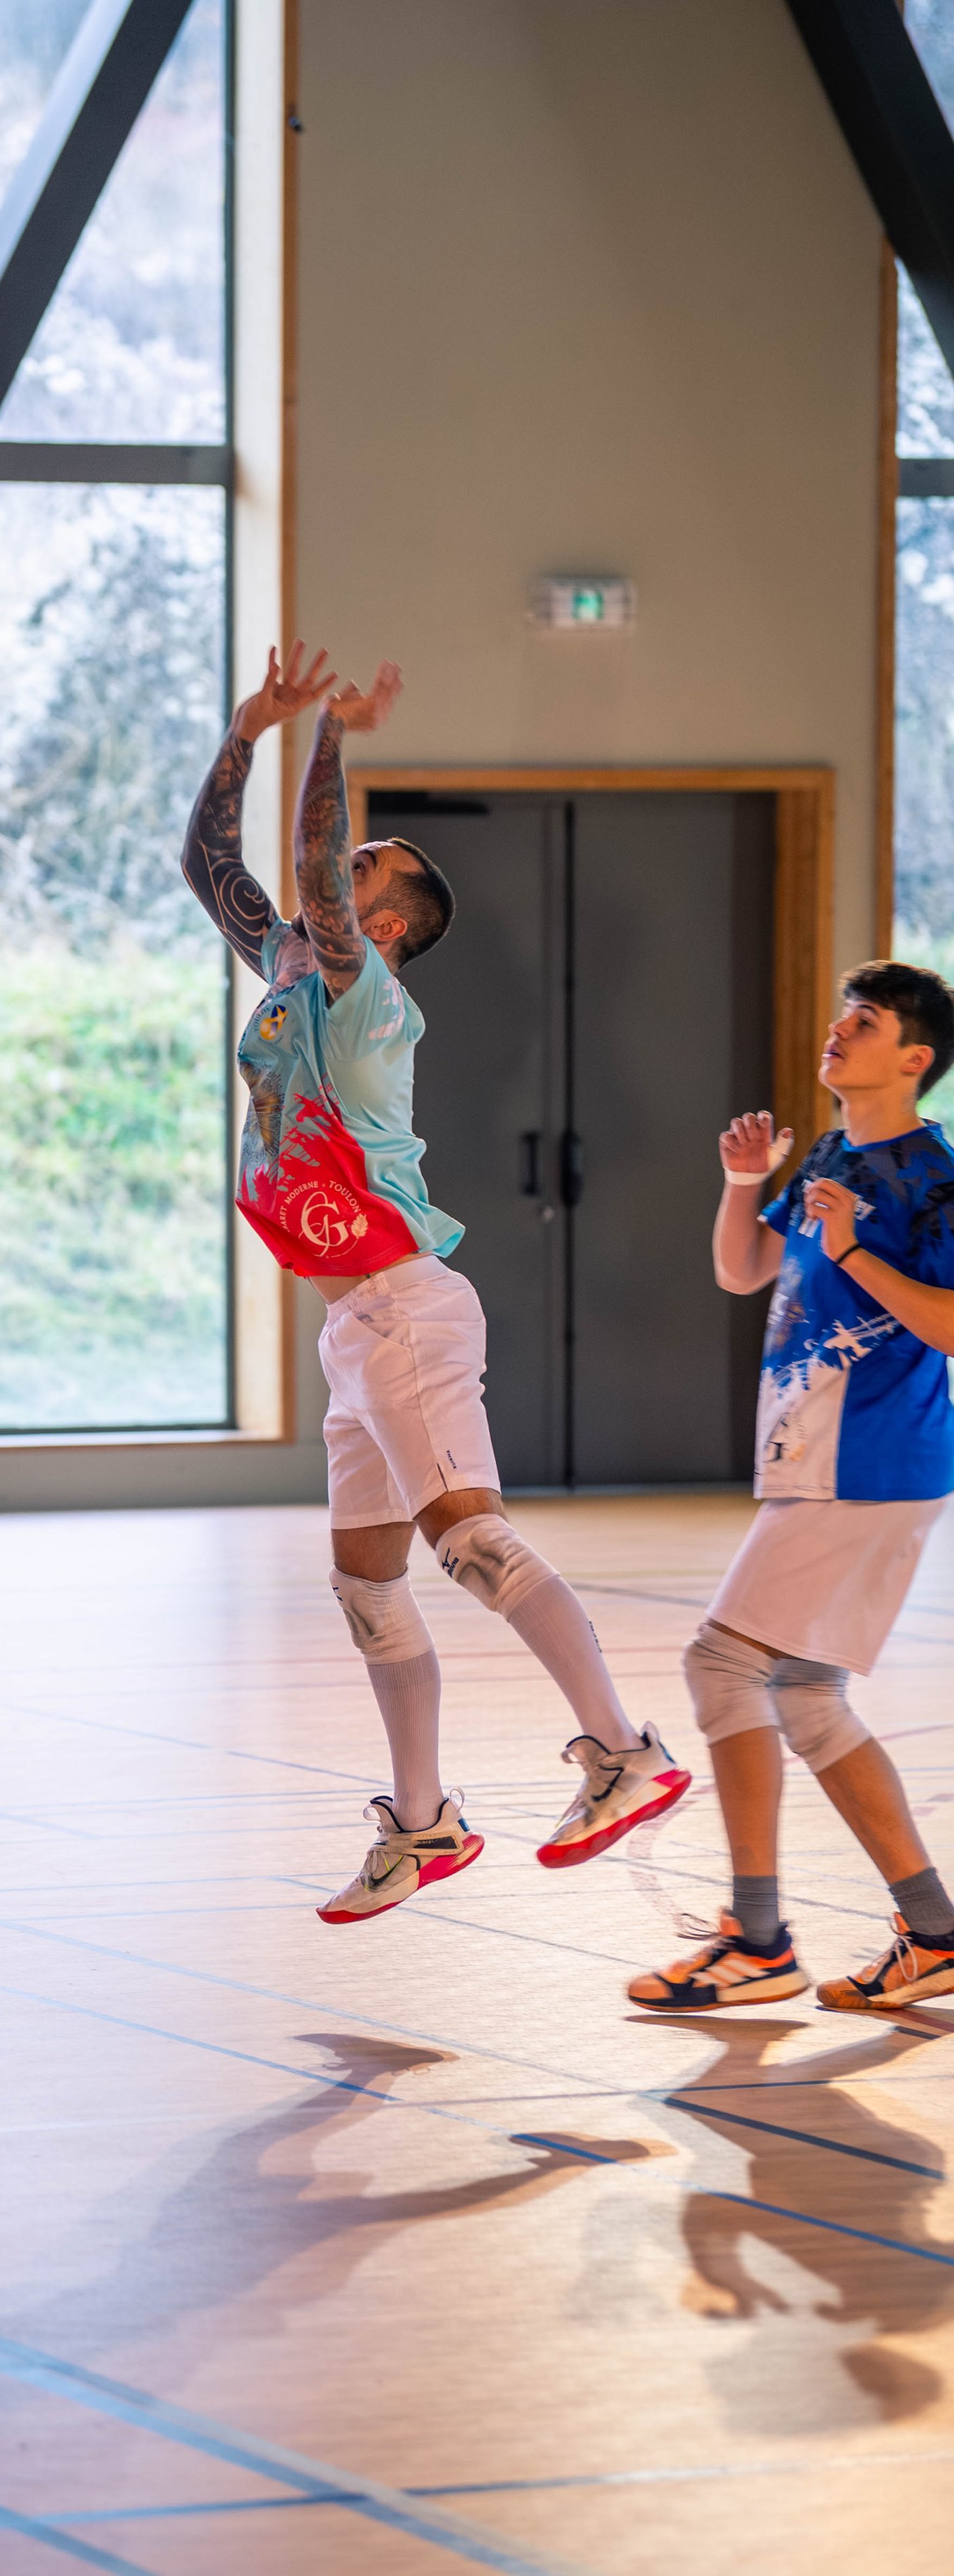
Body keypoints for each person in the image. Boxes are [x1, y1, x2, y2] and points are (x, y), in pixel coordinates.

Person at [180, 647, 688, 1923]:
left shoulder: (360, 989)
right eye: (350, 858)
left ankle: (626, 1750)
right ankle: (423, 1823)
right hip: (355, 1324)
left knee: (467, 1539)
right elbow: (211, 870)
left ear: (386, 924)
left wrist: (332, 743)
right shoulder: (294, 970)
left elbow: (305, 869)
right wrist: (248, 731)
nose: (338, 879)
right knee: (365, 1580)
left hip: (408, 1306)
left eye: (363, 872)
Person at [629, 961, 954, 2012]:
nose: (836, 1031)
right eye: (839, 1016)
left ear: (915, 1058)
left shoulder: (933, 1175)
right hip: (811, 1458)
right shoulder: (825, 1151)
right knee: (806, 1696)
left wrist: (855, 1248)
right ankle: (938, 1931)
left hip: (874, 1462)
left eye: (863, 1022)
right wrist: (739, 1184)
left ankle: (759, 1938)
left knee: (721, 1664)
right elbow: (744, 1271)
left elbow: (949, 1326)